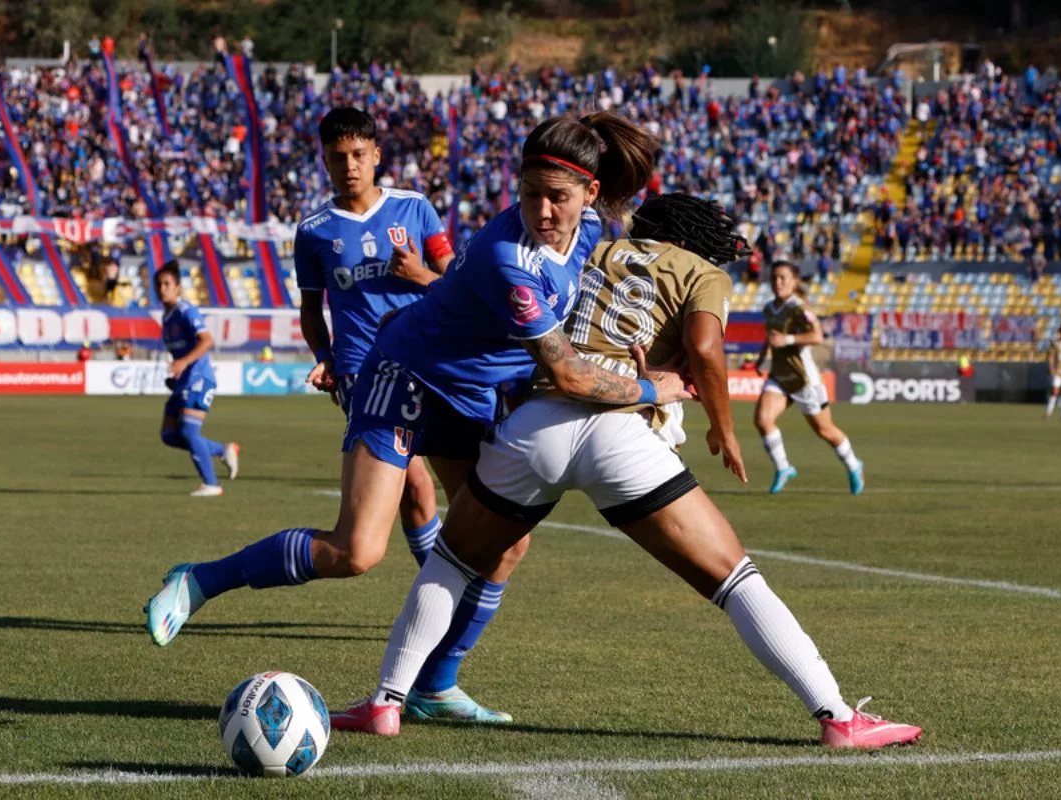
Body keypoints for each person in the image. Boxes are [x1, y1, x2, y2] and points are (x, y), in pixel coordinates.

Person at [145, 111, 676, 724]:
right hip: (405, 378)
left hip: (471, 397)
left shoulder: (588, 232)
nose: (543, 211)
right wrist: (652, 387)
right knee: (357, 551)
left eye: (558, 197)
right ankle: (198, 582)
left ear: (588, 195)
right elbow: (568, 375)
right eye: (531, 195)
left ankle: (435, 687)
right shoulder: (506, 253)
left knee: (505, 547)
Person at [345, 194, 922, 748]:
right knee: (733, 579)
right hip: (621, 432)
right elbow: (704, 347)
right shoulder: (699, 272)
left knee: (451, 563)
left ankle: (385, 703)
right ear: (692, 239)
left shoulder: (587, 249)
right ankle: (838, 716)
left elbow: (524, 323)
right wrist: (721, 425)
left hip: (536, 425)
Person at [296, 107, 454, 573]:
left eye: (359, 154)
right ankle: (441, 591)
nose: (350, 166)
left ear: (377, 155)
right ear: (325, 161)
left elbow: (453, 281)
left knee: (422, 486)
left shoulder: (415, 208)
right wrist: (324, 356)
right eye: (338, 156)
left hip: (425, 361)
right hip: (360, 370)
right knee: (417, 483)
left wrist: (418, 273)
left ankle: (443, 588)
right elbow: (310, 307)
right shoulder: (313, 231)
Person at [754, 261, 864, 495]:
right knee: (763, 420)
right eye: (775, 278)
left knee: (825, 430)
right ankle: (784, 468)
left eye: (783, 278)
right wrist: (762, 356)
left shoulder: (799, 307)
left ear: (795, 281)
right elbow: (771, 335)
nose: (778, 282)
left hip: (805, 380)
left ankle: (854, 465)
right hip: (780, 376)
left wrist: (789, 340)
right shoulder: (769, 308)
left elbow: (817, 336)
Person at [154, 262, 240, 497]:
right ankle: (222, 449)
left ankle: (211, 484)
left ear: (178, 288)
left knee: (190, 433)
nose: (162, 288)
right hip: (184, 380)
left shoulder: (185, 310)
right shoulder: (167, 318)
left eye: (167, 284)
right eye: (159, 285)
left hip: (199, 378)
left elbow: (206, 340)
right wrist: (178, 369)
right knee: (169, 435)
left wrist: (183, 363)